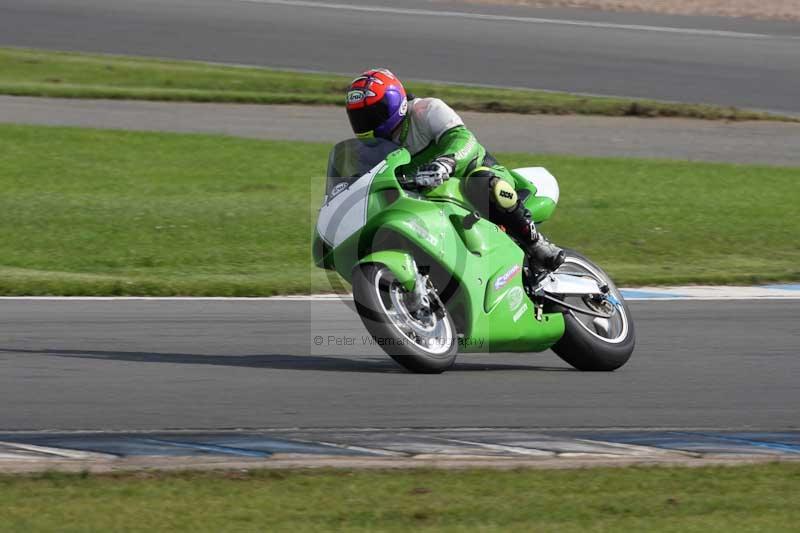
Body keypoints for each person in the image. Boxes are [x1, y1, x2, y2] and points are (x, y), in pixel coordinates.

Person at [345, 68, 565, 271]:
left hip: (473, 175)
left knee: (483, 182)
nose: (367, 122)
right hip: (434, 200)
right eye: (359, 117)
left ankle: (537, 244)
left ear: (395, 102)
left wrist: (445, 163)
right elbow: (364, 184)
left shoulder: (426, 110)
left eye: (375, 113)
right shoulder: (369, 151)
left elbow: (464, 139)